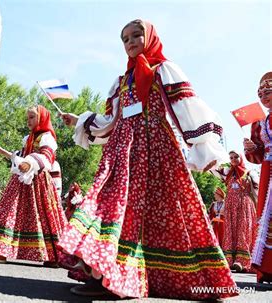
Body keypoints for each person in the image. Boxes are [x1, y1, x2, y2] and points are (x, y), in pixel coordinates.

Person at [58, 20, 236, 299]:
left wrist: (206, 146)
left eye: (136, 35)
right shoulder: (121, 82)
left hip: (158, 151)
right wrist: (79, 121)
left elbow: (187, 107)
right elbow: (110, 121)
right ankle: (104, 272)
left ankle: (198, 279)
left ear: (150, 37)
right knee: (111, 205)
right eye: (124, 38)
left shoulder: (163, 70)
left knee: (169, 211)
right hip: (122, 151)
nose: (130, 42)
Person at [0, 105, 67, 266]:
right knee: (9, 212)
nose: (29, 121)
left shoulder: (47, 138)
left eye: (32, 117)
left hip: (39, 182)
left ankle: (54, 256)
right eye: (28, 117)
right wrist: (5, 153)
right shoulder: (28, 138)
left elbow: (47, 157)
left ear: (42, 118)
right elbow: (21, 157)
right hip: (22, 180)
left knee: (43, 218)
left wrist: (30, 162)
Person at [244, 71, 272, 283]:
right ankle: (267, 268)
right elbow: (258, 153)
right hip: (267, 171)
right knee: (266, 215)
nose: (264, 95)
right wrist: (253, 147)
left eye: (268, 90)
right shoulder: (259, 122)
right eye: (260, 92)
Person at [213, 151, 257, 273]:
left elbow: (257, 191)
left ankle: (241, 261)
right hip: (230, 207)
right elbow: (212, 168)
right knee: (230, 232)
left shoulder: (249, 173)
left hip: (244, 206)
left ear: (241, 158)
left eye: (236, 157)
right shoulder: (228, 174)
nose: (233, 159)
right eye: (231, 157)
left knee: (243, 231)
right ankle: (229, 261)